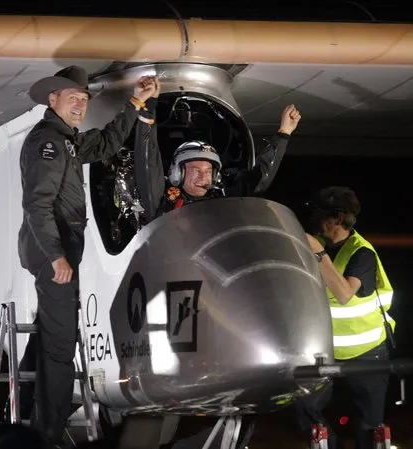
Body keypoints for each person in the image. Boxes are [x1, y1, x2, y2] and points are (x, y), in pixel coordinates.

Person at [17, 65, 157, 447]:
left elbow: (108, 143)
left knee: (51, 336)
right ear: (53, 100)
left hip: (59, 250)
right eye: (73, 99)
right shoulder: (49, 142)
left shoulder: (67, 140)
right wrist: (57, 257)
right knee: (61, 350)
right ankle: (46, 435)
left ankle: (28, 416)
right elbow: (38, 206)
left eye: (84, 99)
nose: (80, 105)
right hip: (54, 253)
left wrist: (135, 102)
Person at [295, 186, 395, 449]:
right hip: (324, 350)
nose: (315, 220)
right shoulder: (324, 245)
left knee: (369, 426)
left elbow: (343, 294)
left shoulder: (362, 253)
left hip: (367, 353)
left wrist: (318, 254)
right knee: (306, 408)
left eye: (320, 215)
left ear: (338, 218)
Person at [131, 77, 302, 219]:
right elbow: (147, 159)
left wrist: (284, 133)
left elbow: (258, 180)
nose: (203, 176)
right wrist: (148, 107)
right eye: (196, 169)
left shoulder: (224, 199)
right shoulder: (162, 201)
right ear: (178, 173)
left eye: (208, 171)